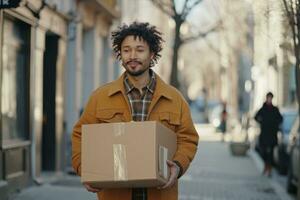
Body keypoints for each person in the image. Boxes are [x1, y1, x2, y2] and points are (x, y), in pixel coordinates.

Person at [72, 22, 199, 200]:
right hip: (114, 194)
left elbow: (188, 138)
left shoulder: (174, 99)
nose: (132, 56)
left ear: (152, 54)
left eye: (140, 50)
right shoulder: (100, 97)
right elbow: (80, 135)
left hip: (160, 194)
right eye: (126, 50)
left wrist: (178, 165)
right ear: (120, 54)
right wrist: (84, 169)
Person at [254, 92, 282, 177]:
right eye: (268, 98)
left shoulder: (275, 109)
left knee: (270, 153)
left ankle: (269, 169)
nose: (269, 99)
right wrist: (261, 122)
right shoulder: (263, 108)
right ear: (266, 98)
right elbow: (256, 117)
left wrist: (275, 125)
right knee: (264, 152)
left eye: (271, 98)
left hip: (272, 134)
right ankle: (266, 166)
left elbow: (280, 118)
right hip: (264, 134)